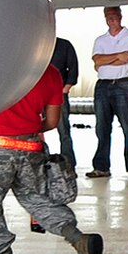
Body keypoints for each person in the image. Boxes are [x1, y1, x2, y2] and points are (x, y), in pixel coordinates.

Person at [0, 61, 105, 254]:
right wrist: (24, 129)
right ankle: (78, 239)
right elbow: (52, 122)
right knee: (38, 200)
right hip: (31, 148)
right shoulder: (51, 73)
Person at [88, 5, 128, 179]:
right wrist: (117, 56)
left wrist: (104, 61)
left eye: (114, 16)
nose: (111, 20)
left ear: (120, 16)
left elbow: (124, 61)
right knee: (102, 128)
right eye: (108, 16)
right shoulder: (100, 40)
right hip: (103, 86)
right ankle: (102, 167)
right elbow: (96, 60)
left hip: (123, 85)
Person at [50, 34, 80, 168]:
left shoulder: (64, 45)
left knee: (63, 129)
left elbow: (73, 67)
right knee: (33, 129)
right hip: (37, 93)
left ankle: (68, 162)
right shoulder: (33, 45)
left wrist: (66, 88)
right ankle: (35, 160)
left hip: (58, 93)